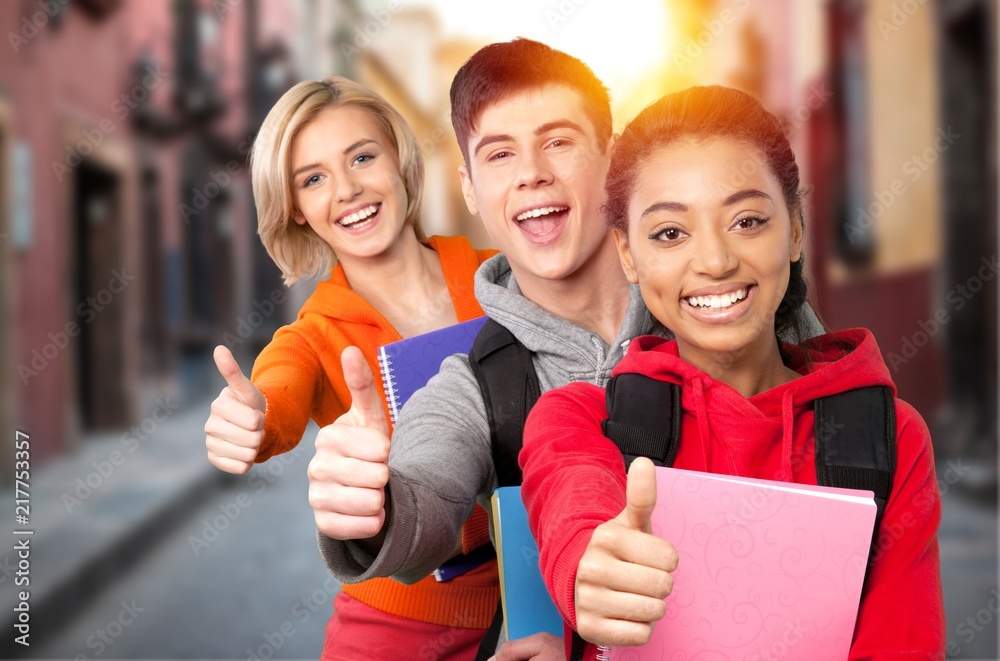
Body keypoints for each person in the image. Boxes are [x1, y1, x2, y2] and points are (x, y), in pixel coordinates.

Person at [308, 42, 825, 660]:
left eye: (558, 141)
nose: (532, 173)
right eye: (500, 154)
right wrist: (376, 505)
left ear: (611, 161)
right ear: (470, 189)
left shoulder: (730, 301)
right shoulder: (473, 385)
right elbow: (427, 494)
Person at [518, 85, 945, 660]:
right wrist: (593, 566)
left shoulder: (889, 438)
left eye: (747, 220)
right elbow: (574, 496)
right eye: (670, 233)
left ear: (794, 230)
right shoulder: (580, 420)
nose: (716, 261)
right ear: (628, 255)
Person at [202, 77, 500, 661]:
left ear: (401, 161)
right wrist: (253, 417)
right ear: (296, 211)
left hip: (539, 607)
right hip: (396, 631)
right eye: (313, 179)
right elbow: (277, 393)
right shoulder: (313, 338)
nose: (347, 190)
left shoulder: (502, 279)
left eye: (362, 157)